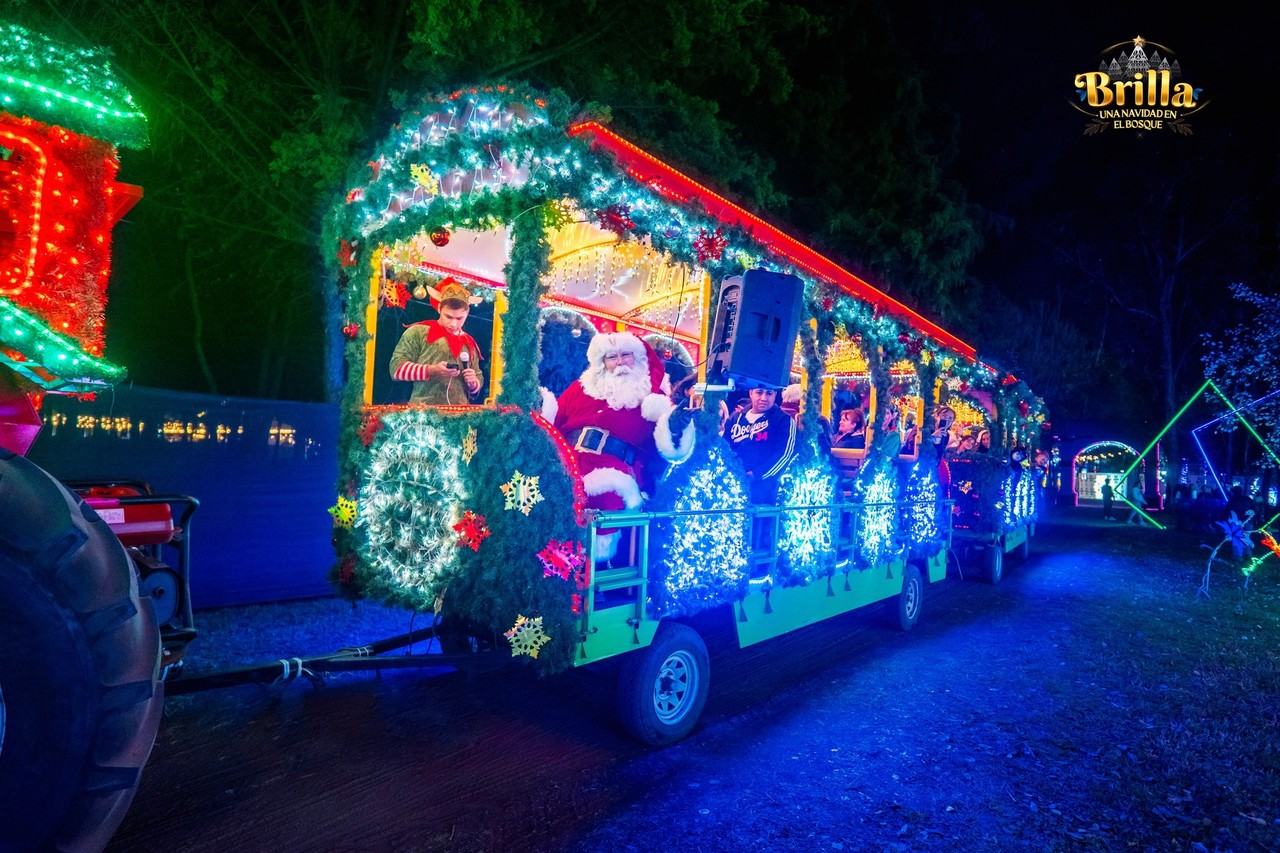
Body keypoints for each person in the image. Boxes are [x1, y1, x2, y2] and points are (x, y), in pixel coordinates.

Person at [547, 331, 694, 560]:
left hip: (615, 468)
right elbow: (554, 419)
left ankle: (591, 572)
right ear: (602, 362)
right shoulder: (581, 387)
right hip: (568, 462)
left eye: (625, 355)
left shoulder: (652, 395)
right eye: (611, 357)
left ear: (638, 357)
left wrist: (675, 425)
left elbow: (668, 448)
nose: (619, 362)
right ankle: (551, 567)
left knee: (604, 496)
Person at [389, 278, 484, 405]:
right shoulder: (418, 332)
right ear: (439, 308)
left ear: (467, 313)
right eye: (448, 316)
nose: (453, 324)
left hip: (460, 416)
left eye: (460, 318)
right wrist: (431, 370)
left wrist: (473, 383)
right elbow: (396, 369)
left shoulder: (469, 341)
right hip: (422, 414)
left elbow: (478, 377)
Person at [723, 384, 797, 504]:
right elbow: (724, 449)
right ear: (751, 393)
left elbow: (784, 454)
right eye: (759, 392)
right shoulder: (734, 419)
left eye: (769, 393)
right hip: (732, 482)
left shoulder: (784, 420)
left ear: (775, 396)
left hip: (764, 487)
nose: (764, 398)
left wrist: (756, 475)